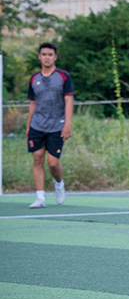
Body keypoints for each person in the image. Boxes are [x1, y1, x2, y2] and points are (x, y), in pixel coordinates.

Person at [26, 42, 74, 208]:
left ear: (55, 57)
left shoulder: (64, 76)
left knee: (53, 163)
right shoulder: (34, 78)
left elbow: (69, 101)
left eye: (50, 55)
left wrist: (67, 124)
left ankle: (59, 184)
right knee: (37, 159)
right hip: (37, 125)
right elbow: (33, 103)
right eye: (44, 54)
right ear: (39, 57)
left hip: (57, 126)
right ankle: (40, 198)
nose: (47, 57)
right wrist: (28, 126)